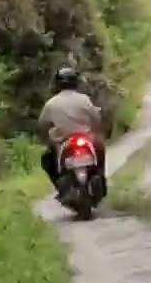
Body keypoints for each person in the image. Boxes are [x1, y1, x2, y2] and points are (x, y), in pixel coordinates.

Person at [37, 66, 107, 195]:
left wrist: (47, 139)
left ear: (57, 83)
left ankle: (60, 187)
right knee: (100, 150)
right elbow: (96, 117)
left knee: (47, 158)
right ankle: (101, 180)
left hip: (63, 141)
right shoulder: (84, 99)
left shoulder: (51, 103)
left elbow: (42, 124)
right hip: (86, 138)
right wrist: (96, 133)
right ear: (76, 82)